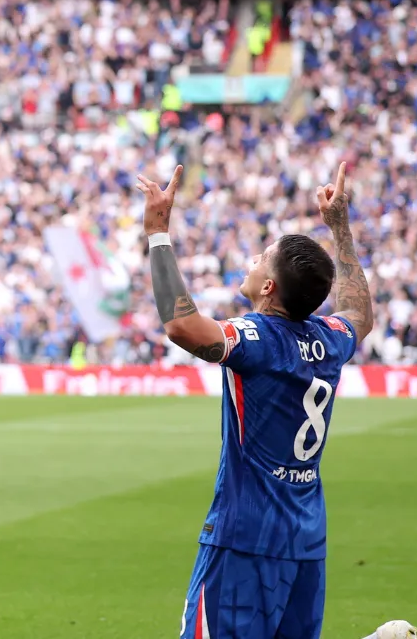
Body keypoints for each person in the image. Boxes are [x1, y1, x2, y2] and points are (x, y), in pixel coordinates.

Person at [137, 163, 376, 639]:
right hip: (306, 540)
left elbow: (183, 327)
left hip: (245, 539)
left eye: (262, 258)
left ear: (269, 288)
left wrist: (158, 234)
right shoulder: (330, 338)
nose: (252, 260)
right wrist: (341, 229)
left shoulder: (257, 338)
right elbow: (358, 313)